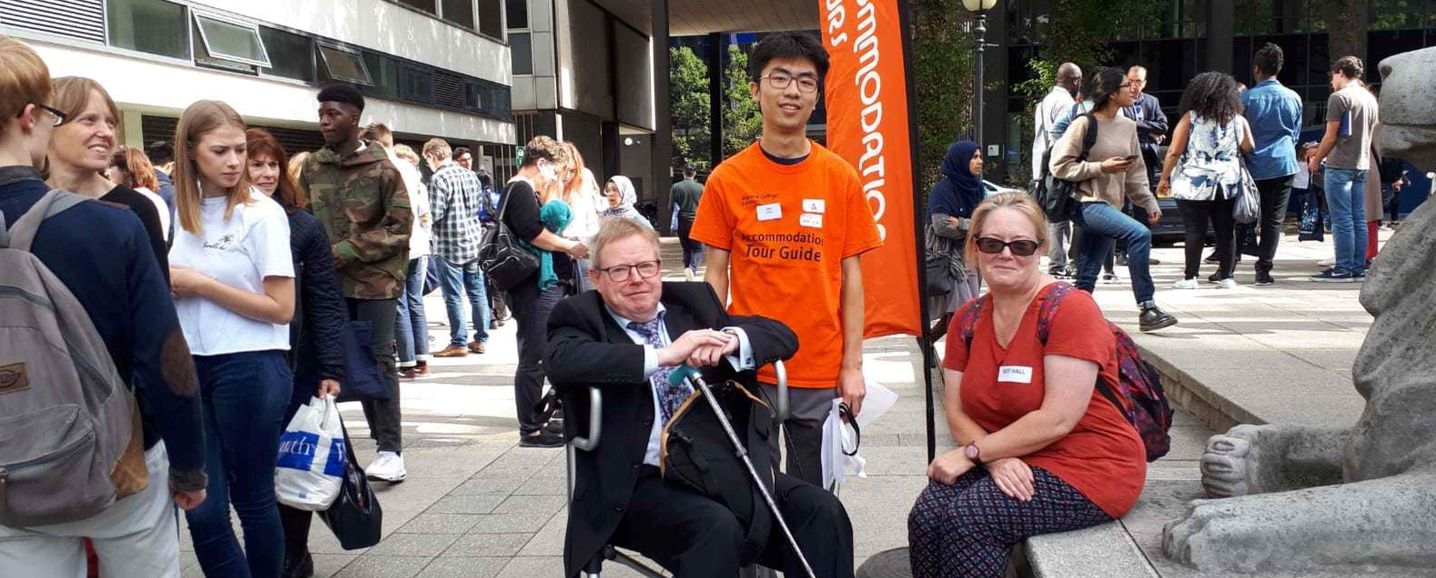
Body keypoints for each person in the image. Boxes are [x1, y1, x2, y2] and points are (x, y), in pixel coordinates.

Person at [0, 34, 207, 577]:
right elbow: (166, 358)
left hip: (9, 471)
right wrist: (189, 465)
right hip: (120, 461)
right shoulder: (111, 225)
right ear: (29, 117)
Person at [546, 218, 855, 578]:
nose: (636, 278)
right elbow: (562, 361)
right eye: (619, 270)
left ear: (659, 268)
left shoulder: (693, 303)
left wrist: (733, 340)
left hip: (721, 467)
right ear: (596, 277)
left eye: (646, 266)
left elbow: (781, 335)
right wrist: (665, 355)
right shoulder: (579, 316)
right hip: (638, 482)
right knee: (715, 527)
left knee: (821, 511)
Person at [907, 192, 1146, 578]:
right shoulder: (966, 319)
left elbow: (1057, 419)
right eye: (991, 243)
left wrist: (971, 455)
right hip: (1007, 452)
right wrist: (991, 456)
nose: (1006, 254)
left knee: (972, 519)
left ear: (1041, 248)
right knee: (928, 512)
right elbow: (957, 412)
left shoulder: (1070, 309)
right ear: (975, 248)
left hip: (1089, 463)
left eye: (1020, 245)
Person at [692, 32, 883, 487]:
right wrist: (708, 350)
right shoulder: (727, 179)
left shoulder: (841, 178)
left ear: (817, 97)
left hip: (818, 369)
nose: (792, 90)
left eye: (805, 81)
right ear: (756, 90)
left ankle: (808, 564)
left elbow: (851, 277)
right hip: (747, 365)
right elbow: (714, 275)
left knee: (815, 499)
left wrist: (852, 365)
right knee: (749, 495)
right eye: (779, 78)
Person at [168, 100, 296, 578]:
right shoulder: (173, 209)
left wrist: (201, 285)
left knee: (254, 497)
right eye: (220, 150)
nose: (235, 161)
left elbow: (280, 308)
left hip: (251, 364)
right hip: (186, 367)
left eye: (240, 149)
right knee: (200, 505)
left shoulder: (262, 214)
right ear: (190, 152)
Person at [245, 127, 347, 578]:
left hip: (297, 360)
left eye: (272, 164)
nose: (266, 173)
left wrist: (330, 366)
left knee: (293, 461)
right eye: (256, 164)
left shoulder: (302, 225)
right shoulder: (215, 224)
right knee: (250, 465)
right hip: (240, 360)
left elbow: (326, 299)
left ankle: (294, 553)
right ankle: (265, 550)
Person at [298, 85, 413, 480]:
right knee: (338, 360)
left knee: (378, 359)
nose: (325, 121)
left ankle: (390, 448)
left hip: (376, 281)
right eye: (321, 114)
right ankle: (337, 443)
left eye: (333, 113)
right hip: (327, 280)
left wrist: (345, 250)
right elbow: (303, 216)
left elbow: (400, 229)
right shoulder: (313, 166)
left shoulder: (382, 169)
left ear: (354, 119)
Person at [1049, 67, 1178, 332]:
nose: (1132, 89)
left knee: (1087, 273)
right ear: (1110, 94)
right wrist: (1100, 168)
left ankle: (1066, 321)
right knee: (1139, 234)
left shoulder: (1128, 126)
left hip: (1111, 205)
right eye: (1124, 86)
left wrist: (1149, 202)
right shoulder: (1084, 124)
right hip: (1085, 203)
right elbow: (1058, 166)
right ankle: (1147, 307)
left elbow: (1135, 172)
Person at [503, 135, 587, 447]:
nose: (555, 176)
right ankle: (530, 429)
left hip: (536, 284)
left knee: (541, 353)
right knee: (533, 357)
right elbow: (534, 232)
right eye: (554, 169)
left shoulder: (522, 189)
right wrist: (571, 247)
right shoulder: (520, 188)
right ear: (541, 163)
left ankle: (536, 423)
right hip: (532, 287)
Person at [44, 77, 168, 278]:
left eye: (111, 123)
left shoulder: (137, 209)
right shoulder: (28, 205)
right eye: (88, 120)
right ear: (49, 124)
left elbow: (156, 301)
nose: (106, 133)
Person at [1158, 72, 1254, 290]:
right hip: (1227, 182)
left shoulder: (1191, 118)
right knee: (1225, 229)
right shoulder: (1238, 119)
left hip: (1194, 183)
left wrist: (1164, 178)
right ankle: (1227, 276)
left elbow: (1173, 151)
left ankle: (1191, 277)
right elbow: (1249, 146)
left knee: (1194, 229)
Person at [1307, 56, 1379, 282]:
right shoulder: (1369, 98)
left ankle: (1343, 267)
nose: (1331, 81)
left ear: (1339, 72)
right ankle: (1357, 267)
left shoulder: (1339, 98)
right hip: (1362, 163)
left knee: (1341, 220)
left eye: (1333, 76)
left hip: (1340, 164)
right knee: (1358, 217)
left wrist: (1316, 159)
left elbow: (1331, 136)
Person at [1240, 43, 1304, 286]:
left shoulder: (1245, 98)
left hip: (1252, 163)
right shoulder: (1294, 97)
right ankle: (1264, 269)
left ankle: (1231, 263)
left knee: (1243, 213)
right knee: (1273, 219)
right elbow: (1295, 134)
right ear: (1279, 68)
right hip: (1283, 163)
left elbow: (1239, 134)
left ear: (1256, 69)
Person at [422, 138, 491, 358]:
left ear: (433, 156)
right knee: (477, 291)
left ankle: (458, 341)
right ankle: (481, 339)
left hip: (449, 244)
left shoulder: (438, 179)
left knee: (453, 296)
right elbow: (477, 207)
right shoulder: (471, 175)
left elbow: (436, 213)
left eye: (427, 159)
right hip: (472, 240)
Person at [927, 140, 985, 339]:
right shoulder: (942, 191)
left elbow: (984, 223)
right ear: (961, 160)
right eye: (974, 157)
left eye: (980, 156)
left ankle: (927, 341)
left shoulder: (977, 189)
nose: (979, 161)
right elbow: (941, 226)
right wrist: (972, 226)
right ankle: (957, 355)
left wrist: (961, 223)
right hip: (949, 259)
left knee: (964, 308)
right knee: (962, 310)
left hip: (972, 257)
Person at [388, 142, 435, 378]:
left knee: (400, 304)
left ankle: (406, 362)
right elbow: (426, 216)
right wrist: (425, 238)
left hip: (401, 248)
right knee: (415, 301)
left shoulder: (393, 177)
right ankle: (422, 358)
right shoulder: (419, 184)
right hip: (420, 246)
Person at [1116, 65, 1168, 268]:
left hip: (1145, 157)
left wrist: (1137, 125)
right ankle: (1121, 252)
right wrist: (1147, 128)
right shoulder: (1121, 101)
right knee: (1122, 205)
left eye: (1138, 81)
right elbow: (1120, 125)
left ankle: (1142, 252)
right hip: (1124, 158)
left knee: (1143, 204)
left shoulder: (1152, 102)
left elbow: (1163, 126)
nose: (1134, 85)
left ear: (1145, 83)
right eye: (1131, 80)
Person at [1034, 63, 1082, 278]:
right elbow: (1062, 136)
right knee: (1060, 216)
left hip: (1043, 166)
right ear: (1074, 80)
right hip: (1058, 167)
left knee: (1055, 214)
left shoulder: (1045, 101)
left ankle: (1058, 262)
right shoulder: (1065, 103)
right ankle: (1058, 263)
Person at [559, 142, 604, 291]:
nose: (568, 175)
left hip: (583, 252)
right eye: (564, 170)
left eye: (572, 170)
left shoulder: (583, 182)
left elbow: (592, 223)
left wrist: (583, 245)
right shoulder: (548, 188)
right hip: (557, 253)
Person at [109, 146, 171, 243]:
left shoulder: (133, 200)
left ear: (126, 170)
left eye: (111, 166)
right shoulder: (155, 198)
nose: (108, 172)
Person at [670, 163, 707, 278]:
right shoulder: (701, 187)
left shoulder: (676, 187)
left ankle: (687, 271)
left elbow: (671, 206)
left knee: (686, 248)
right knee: (698, 248)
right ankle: (692, 269)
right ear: (695, 173)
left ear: (683, 173)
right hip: (696, 221)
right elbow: (707, 205)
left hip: (682, 221)